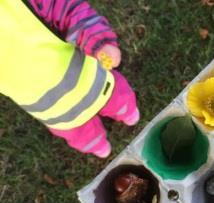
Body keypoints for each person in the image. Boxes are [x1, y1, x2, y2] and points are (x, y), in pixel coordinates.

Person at [0, 0, 139, 158]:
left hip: (92, 79)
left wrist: (97, 40)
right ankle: (97, 144)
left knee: (118, 99)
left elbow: (66, 9)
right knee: (82, 135)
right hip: (52, 112)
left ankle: (127, 112)